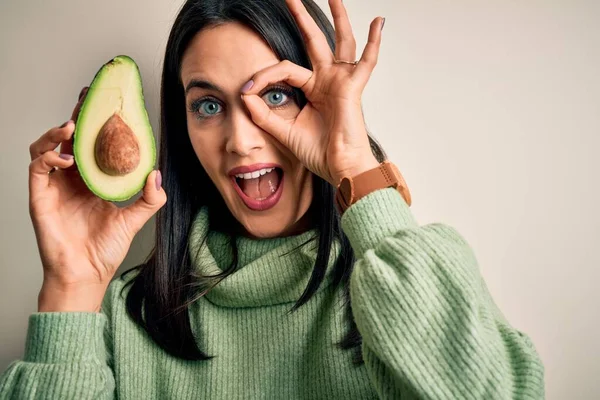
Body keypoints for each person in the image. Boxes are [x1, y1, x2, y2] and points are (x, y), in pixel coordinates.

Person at [0, 0, 545, 398]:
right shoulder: (123, 317)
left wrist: (356, 166)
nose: (241, 140)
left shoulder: (397, 295)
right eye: (208, 106)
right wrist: (72, 286)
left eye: (276, 96)